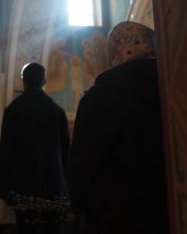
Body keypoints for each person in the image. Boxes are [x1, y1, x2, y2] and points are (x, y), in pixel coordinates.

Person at [67, 21, 169, 234]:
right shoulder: (175, 90)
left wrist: (79, 207)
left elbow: (81, 167)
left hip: (114, 218)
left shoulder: (97, 100)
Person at [0, 62, 70, 234]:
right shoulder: (57, 111)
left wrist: (3, 187)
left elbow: (6, 150)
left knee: (26, 229)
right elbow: (66, 152)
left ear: (23, 81)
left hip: (23, 188)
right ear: (44, 81)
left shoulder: (13, 111)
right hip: (53, 187)